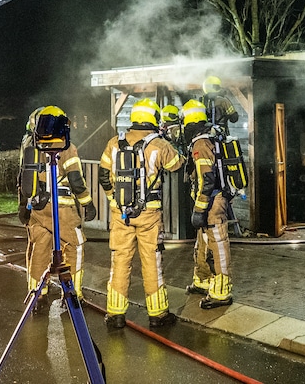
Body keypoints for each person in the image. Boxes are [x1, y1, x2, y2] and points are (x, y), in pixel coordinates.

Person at [98, 98, 185, 329]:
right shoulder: (159, 145)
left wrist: (113, 201)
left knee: (119, 262)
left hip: (120, 214)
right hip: (149, 215)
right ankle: (157, 315)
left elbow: (103, 176)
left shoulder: (115, 142)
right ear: (153, 119)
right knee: (151, 262)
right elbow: (178, 165)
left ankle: (115, 314)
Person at [18, 106, 95, 310]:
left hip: (37, 208)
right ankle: (72, 295)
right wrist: (87, 203)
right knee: (75, 247)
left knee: (39, 250)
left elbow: (22, 178)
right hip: (62, 210)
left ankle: (37, 296)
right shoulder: (66, 146)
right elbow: (76, 180)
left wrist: (23, 206)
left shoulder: (29, 146)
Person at [181, 100, 234, 309]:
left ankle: (221, 292)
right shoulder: (211, 135)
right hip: (210, 199)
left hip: (212, 201)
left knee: (218, 244)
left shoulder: (200, 144)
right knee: (203, 241)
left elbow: (207, 179)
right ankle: (203, 281)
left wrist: (199, 208)